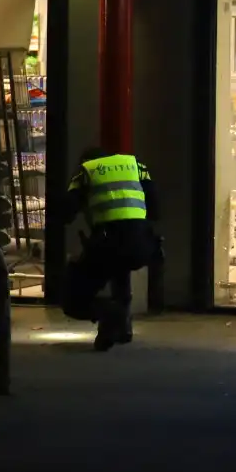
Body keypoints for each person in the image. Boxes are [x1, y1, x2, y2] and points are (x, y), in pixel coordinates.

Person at [63, 147, 161, 351]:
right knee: (120, 266)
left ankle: (113, 314)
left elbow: (66, 213)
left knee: (73, 300)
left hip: (107, 245)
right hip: (142, 246)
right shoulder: (135, 165)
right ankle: (120, 328)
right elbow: (155, 210)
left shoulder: (86, 170)